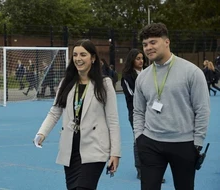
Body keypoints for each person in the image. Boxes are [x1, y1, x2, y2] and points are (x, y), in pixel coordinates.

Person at [34, 39, 121, 190]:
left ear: (93, 58)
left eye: (83, 54)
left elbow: (113, 120)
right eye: (75, 55)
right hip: (71, 148)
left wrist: (115, 153)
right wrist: (42, 133)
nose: (78, 59)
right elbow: (55, 112)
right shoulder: (66, 83)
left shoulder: (105, 84)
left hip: (95, 147)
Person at [133, 23, 210, 190]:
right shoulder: (143, 76)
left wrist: (197, 143)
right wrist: (139, 137)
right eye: (145, 44)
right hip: (150, 144)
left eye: (153, 42)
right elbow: (138, 111)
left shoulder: (192, 72)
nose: (148, 48)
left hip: (184, 144)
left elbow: (202, 109)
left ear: (166, 42)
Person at [121, 49, 145, 179]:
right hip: (135, 113)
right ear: (132, 60)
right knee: (138, 140)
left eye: (142, 58)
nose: (141, 61)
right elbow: (133, 95)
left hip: (152, 113)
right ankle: (140, 169)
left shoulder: (149, 72)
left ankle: (151, 169)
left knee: (152, 141)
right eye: (138, 58)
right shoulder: (126, 77)